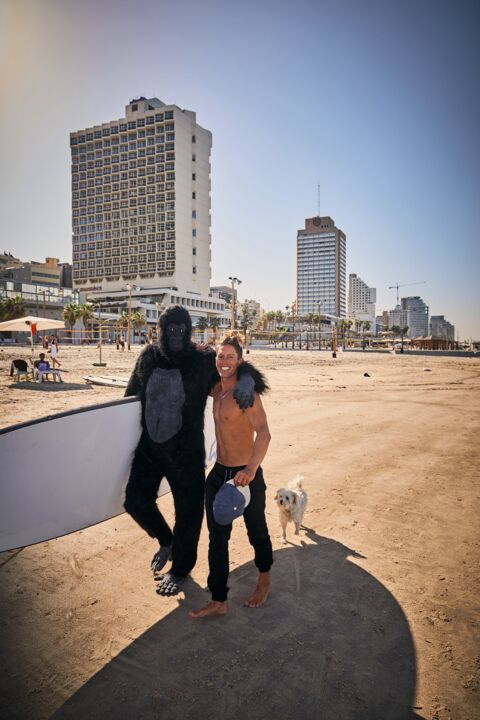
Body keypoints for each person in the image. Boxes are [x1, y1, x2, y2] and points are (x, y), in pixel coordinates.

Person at [123, 306, 268, 597]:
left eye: (181, 328)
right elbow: (127, 399)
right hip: (150, 449)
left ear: (188, 330)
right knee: (135, 502)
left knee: (188, 514)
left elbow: (230, 368)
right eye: (170, 328)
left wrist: (248, 379)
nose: (176, 334)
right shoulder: (148, 357)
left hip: (186, 453)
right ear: (160, 330)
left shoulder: (201, 359)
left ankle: (180, 570)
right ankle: (167, 541)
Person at [190, 332, 273, 619]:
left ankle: (263, 579)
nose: (224, 361)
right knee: (217, 538)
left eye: (230, 357)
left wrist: (251, 469)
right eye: (220, 356)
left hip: (245, 475)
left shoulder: (245, 392)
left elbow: (264, 433)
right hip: (218, 473)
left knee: (256, 531)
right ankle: (218, 599)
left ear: (240, 361)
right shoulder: (216, 389)